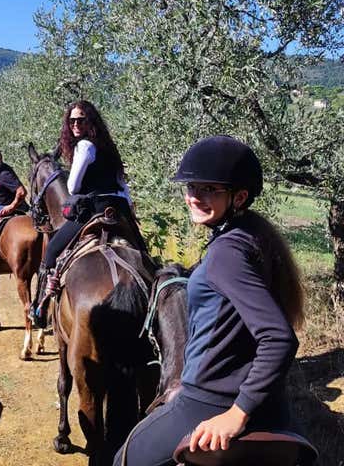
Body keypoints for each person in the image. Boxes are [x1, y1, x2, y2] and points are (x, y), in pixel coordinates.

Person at [113, 135, 305, 466]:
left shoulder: (225, 254)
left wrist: (237, 413)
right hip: (272, 403)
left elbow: (279, 338)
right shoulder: (252, 235)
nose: (194, 197)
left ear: (239, 197)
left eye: (209, 189)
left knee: (123, 459)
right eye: (191, 187)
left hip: (209, 400)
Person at [30, 100, 142, 328]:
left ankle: (40, 308)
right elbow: (122, 183)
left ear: (90, 121)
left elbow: (72, 187)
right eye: (71, 120)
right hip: (119, 209)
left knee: (51, 251)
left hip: (94, 208)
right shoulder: (108, 147)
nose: (75, 124)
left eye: (80, 120)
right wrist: (129, 208)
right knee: (144, 253)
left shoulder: (84, 146)